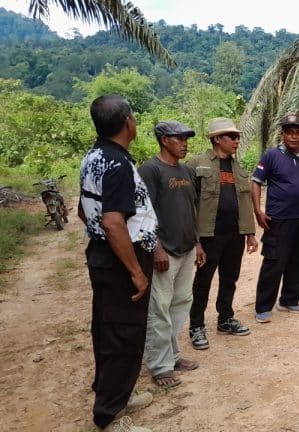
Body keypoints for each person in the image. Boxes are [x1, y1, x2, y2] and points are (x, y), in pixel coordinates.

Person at [78, 94, 157, 432]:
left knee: (107, 329)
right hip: (122, 257)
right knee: (124, 334)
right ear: (128, 123)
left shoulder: (92, 157)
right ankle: (108, 416)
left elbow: (84, 210)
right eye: (134, 118)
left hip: (104, 254)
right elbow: (113, 221)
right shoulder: (117, 164)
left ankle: (115, 394)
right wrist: (136, 271)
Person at [139, 121, 206, 389]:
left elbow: (192, 209)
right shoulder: (150, 170)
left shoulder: (185, 171)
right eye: (179, 138)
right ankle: (160, 367)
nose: (184, 142)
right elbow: (143, 213)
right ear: (164, 140)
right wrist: (155, 248)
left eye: (186, 138)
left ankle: (174, 356)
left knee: (180, 304)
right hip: (164, 251)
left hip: (187, 248)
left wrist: (198, 243)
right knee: (160, 310)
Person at [186, 117, 258, 350]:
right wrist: (195, 240)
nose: (237, 141)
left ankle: (225, 319)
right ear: (217, 139)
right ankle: (196, 326)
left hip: (234, 235)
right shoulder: (197, 165)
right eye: (232, 137)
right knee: (203, 281)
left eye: (238, 137)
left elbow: (245, 202)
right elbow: (188, 204)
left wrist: (250, 233)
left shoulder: (239, 168)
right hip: (210, 236)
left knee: (230, 278)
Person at [251, 114, 299, 323]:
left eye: (297, 132)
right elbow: (256, 183)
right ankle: (263, 306)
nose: (294, 136)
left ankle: (289, 299)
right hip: (279, 218)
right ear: (283, 134)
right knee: (274, 262)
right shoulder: (271, 156)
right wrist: (258, 210)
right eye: (289, 132)